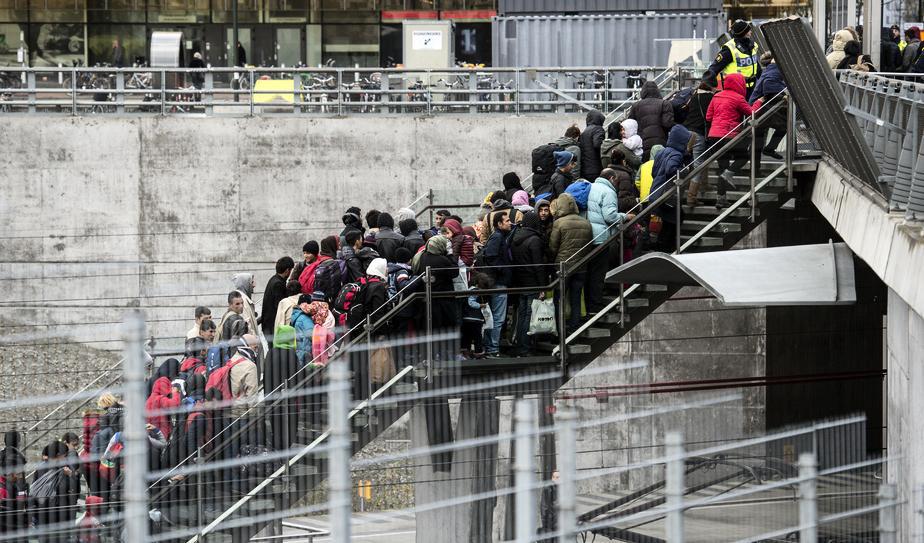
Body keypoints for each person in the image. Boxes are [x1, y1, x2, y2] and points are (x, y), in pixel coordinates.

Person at [586, 168, 633, 313]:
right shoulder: (609, 191)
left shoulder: (591, 187)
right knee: (598, 273)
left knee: (590, 271)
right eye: (616, 180)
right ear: (612, 178)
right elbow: (610, 216)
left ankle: (588, 304)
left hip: (588, 234)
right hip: (600, 237)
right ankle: (595, 305)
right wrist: (625, 217)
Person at [705, 72, 755, 209]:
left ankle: (720, 199)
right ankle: (728, 174)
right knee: (744, 156)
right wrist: (758, 103)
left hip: (714, 137)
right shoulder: (738, 98)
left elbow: (708, 117)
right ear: (740, 84)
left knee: (723, 166)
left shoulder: (716, 96)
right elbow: (751, 113)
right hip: (729, 136)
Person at [549, 193, 592, 333]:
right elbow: (589, 246)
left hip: (563, 267)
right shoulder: (585, 222)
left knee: (559, 299)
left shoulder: (559, 223)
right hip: (581, 267)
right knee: (576, 298)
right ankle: (575, 328)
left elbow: (553, 247)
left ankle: (560, 329)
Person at [650, 125, 694, 252]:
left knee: (671, 221)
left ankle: (662, 247)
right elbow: (671, 169)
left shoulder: (661, 152)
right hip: (667, 196)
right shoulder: (676, 154)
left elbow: (654, 172)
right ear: (682, 141)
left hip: (656, 192)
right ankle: (666, 250)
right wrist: (683, 172)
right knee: (671, 224)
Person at [510, 211, 547, 356]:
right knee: (528, 316)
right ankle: (525, 348)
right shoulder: (534, 240)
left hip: (520, 281)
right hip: (532, 282)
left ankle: (520, 345)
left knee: (522, 314)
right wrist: (542, 286)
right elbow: (538, 265)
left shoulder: (515, 237)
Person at [750, 53, 789, 170]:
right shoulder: (775, 70)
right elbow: (769, 86)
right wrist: (783, 96)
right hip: (761, 109)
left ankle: (755, 170)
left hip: (757, 108)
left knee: (757, 141)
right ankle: (770, 149)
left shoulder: (770, 70)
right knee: (785, 125)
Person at [482, 212, 514, 357]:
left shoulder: (500, 236)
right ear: (499, 224)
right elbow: (491, 257)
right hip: (498, 282)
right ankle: (492, 348)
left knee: (496, 316)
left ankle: (490, 347)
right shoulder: (497, 237)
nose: (510, 223)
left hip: (498, 281)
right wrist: (503, 270)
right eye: (507, 221)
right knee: (498, 317)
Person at [683, 74, 717, 206]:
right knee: (699, 164)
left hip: (686, 133)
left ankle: (704, 185)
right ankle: (691, 197)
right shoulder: (710, 97)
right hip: (698, 134)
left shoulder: (692, 96)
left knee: (698, 161)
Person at [418, 236, 460, 332]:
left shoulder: (423, 256)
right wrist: (450, 254)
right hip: (443, 301)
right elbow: (455, 272)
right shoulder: (442, 260)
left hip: (428, 299)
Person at [709, 19, 762, 96]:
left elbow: (756, 65)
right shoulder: (729, 49)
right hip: (735, 89)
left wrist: (762, 80)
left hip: (752, 88)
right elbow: (713, 69)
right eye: (749, 30)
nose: (751, 32)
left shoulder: (753, 45)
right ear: (744, 33)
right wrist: (711, 89)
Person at [628, 81, 675, 159]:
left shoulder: (635, 106)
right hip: (661, 143)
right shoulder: (665, 104)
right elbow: (668, 124)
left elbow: (630, 126)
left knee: (645, 168)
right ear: (657, 91)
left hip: (641, 144)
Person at [261, 256, 294, 339]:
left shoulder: (274, 279)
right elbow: (280, 306)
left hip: (268, 326)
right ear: (287, 270)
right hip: (272, 327)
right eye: (290, 270)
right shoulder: (278, 284)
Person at [461, 272, 490, 359]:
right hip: (475, 318)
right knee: (477, 337)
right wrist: (481, 305)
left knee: (467, 336)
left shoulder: (469, 289)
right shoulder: (476, 291)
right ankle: (478, 353)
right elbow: (471, 302)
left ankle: (466, 352)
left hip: (466, 318)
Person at [579, 110, 605, 181]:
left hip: (585, 169)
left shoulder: (585, 131)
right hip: (595, 168)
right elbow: (597, 144)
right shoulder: (598, 129)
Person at [290, 294, 315, 366]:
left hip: (298, 350)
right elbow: (312, 335)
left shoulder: (295, 314)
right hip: (305, 351)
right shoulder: (304, 319)